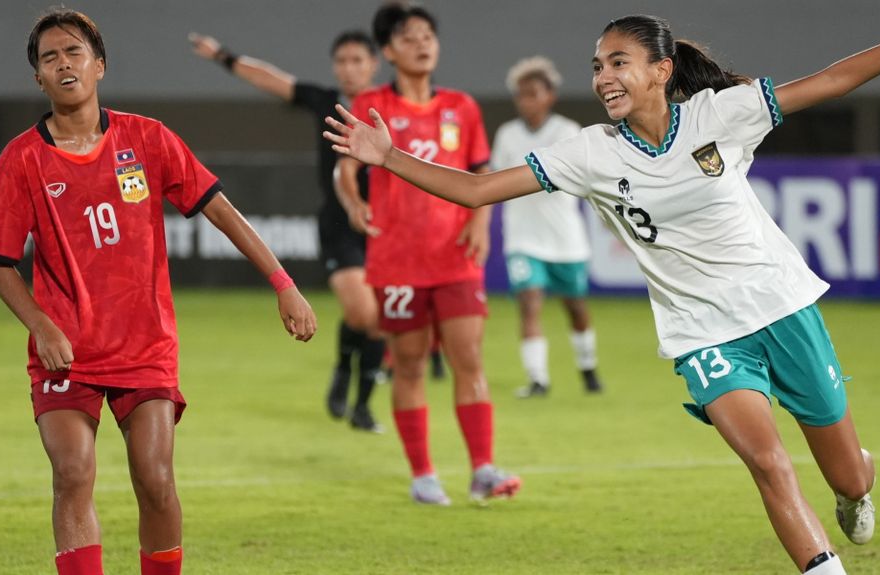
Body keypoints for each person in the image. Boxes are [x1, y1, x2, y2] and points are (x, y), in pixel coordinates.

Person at [324, 0, 880, 570]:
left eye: (619, 61)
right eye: (597, 65)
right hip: (702, 331)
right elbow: (476, 188)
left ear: (660, 70)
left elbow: (837, 78)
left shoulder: (719, 115)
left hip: (780, 306)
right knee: (766, 460)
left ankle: (855, 484)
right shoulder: (590, 151)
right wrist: (389, 158)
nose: (604, 75)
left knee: (845, 472)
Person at [0, 9, 317, 575]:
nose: (63, 64)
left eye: (74, 52)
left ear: (99, 65)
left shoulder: (148, 138)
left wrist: (283, 283)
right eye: (49, 58)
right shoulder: (22, 159)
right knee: (72, 472)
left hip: (144, 345)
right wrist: (41, 324)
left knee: (157, 482)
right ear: (38, 78)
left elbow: (223, 213)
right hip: (68, 350)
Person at [336, 1, 521, 505]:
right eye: (409, 36)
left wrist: (481, 222)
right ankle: (422, 475)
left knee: (469, 358)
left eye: (428, 35)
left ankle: (483, 468)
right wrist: (353, 201)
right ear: (390, 50)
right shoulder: (373, 103)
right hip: (396, 260)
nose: (422, 43)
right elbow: (345, 168)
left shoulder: (461, 107)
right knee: (410, 365)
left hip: (454, 257)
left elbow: (481, 176)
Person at [188, 29, 387, 433]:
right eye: (342, 60)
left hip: (387, 227)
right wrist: (223, 56)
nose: (349, 68)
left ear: (374, 64)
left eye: (357, 60)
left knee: (379, 321)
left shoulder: (391, 108)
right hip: (340, 224)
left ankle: (363, 406)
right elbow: (270, 78)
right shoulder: (326, 100)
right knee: (363, 311)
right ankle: (344, 367)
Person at [491, 56, 603, 398]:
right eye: (521, 95)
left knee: (576, 308)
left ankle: (587, 367)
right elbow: (492, 179)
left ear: (549, 95)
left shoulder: (567, 132)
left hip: (565, 239)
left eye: (533, 93)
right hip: (523, 238)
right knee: (529, 301)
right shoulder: (507, 134)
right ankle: (538, 379)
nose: (526, 101)